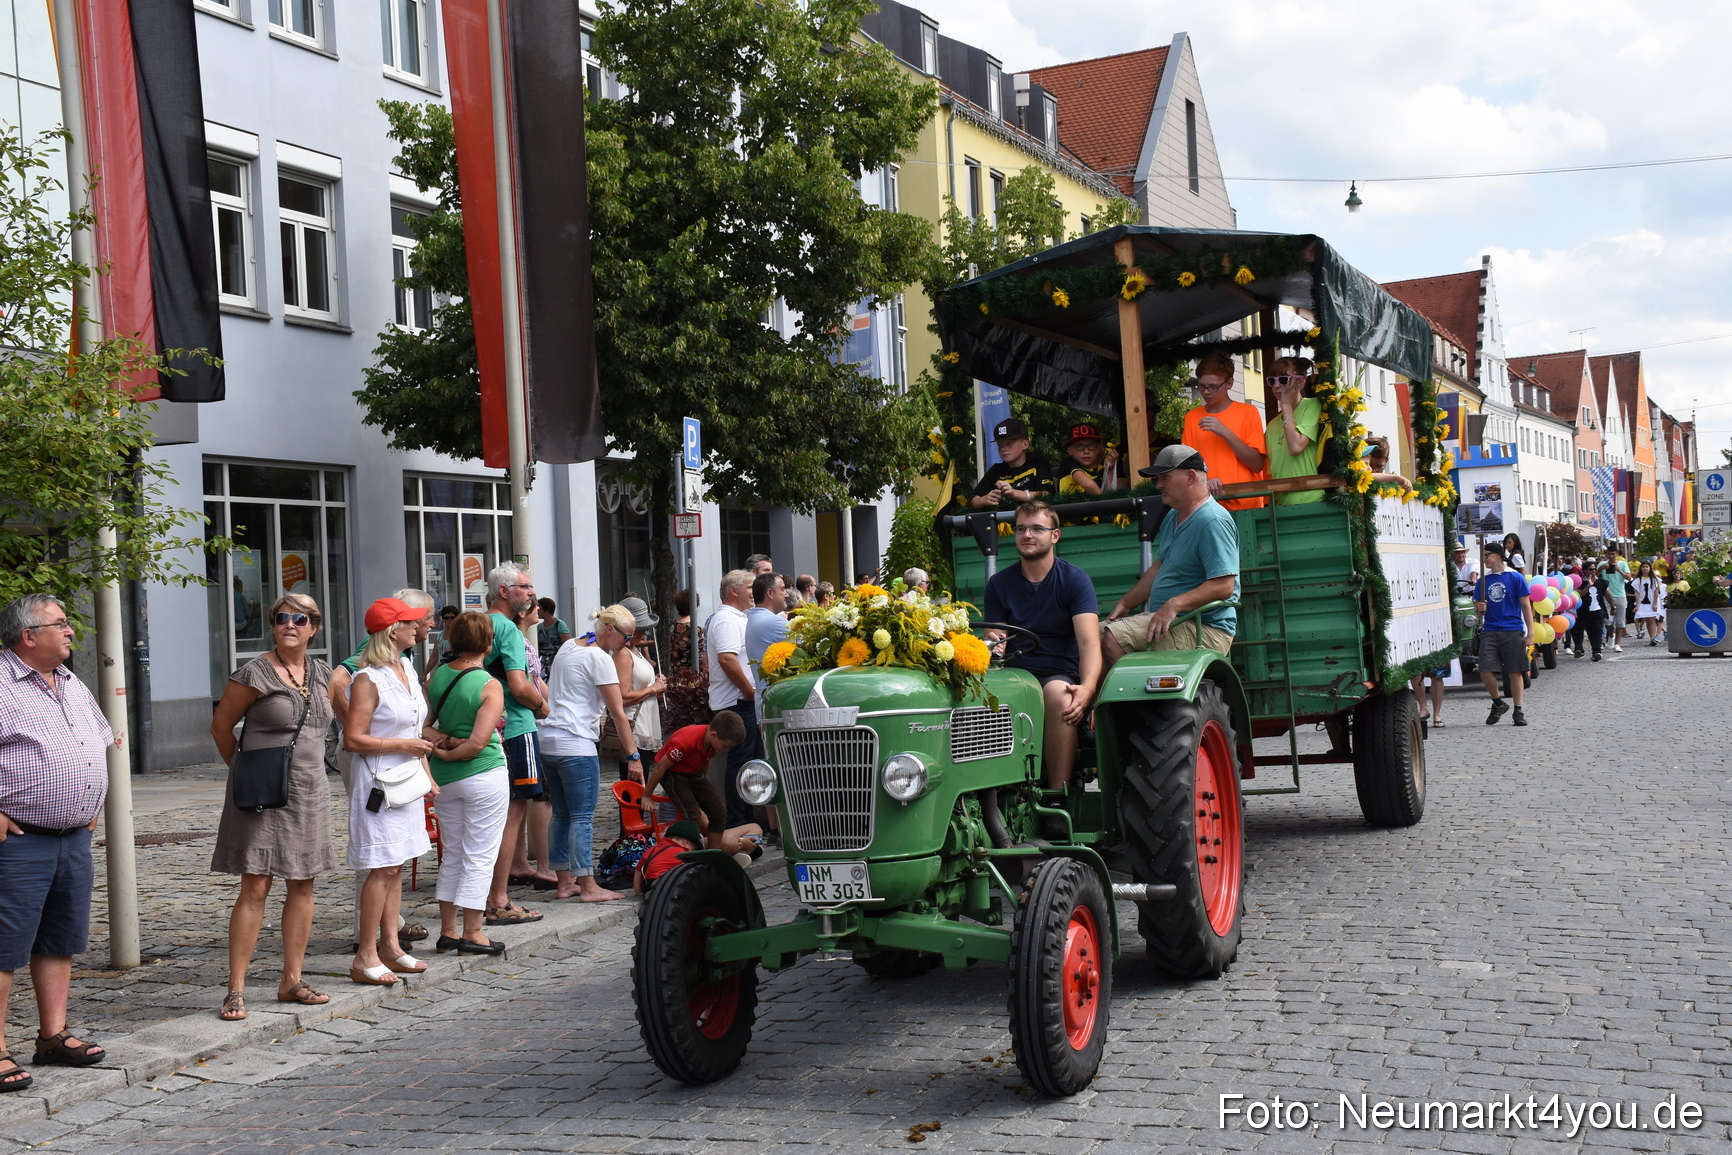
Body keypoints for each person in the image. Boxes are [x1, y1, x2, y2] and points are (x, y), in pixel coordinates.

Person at [0, 594, 115, 1087]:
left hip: (72, 836)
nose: (70, 632)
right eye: (61, 625)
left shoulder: (70, 680)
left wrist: (91, 801)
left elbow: (101, 740)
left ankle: (52, 1036)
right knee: (4, 946)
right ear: (28, 635)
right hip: (20, 840)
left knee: (58, 939)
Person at [209, 592, 337, 1021]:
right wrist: (245, 773)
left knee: (303, 883)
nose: (290, 625)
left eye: (300, 619)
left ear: (314, 627)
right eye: (282, 617)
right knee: (256, 886)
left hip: (309, 790)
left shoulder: (322, 674)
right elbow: (221, 727)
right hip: (263, 795)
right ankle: (236, 989)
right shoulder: (254, 673)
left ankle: (291, 979)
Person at [330, 587, 436, 950]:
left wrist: (426, 772)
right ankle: (368, 950)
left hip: (406, 780)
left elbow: (413, 728)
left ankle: (390, 945)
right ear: (394, 631)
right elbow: (353, 739)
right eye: (410, 621)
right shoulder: (368, 677)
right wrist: (403, 746)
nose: (418, 625)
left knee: (396, 866)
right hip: (379, 782)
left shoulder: (405, 665)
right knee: (381, 866)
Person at [982, 501, 1100, 790]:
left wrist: (1087, 689)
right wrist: (994, 645)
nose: (1027, 535)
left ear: (1054, 536)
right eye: (1021, 528)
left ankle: (1057, 795)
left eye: (1037, 528)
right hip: (1015, 673)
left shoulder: (1075, 580)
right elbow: (995, 638)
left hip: (1058, 671)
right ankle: (995, 793)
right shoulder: (998, 584)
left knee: (1060, 698)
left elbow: (1088, 642)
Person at [540, 605, 645, 903]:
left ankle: (564, 883)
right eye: (626, 636)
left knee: (560, 813)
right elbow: (618, 712)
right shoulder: (599, 657)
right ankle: (588, 885)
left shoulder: (569, 645)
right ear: (609, 630)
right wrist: (633, 755)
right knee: (582, 817)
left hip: (550, 740)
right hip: (576, 743)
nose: (628, 642)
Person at [1103, 445, 1240, 667]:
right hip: (1180, 623)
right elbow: (1160, 565)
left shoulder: (1212, 520)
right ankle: (1093, 701)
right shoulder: (1174, 515)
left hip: (1204, 630)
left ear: (1191, 476)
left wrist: (1174, 605)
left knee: (1113, 638)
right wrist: (1126, 602)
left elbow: (1224, 586)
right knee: (1091, 638)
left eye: (1165, 477)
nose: (1158, 485)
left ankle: (1138, 701)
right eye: (1157, 479)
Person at [422, 612, 510, 955]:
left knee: (453, 854)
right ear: (488, 644)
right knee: (480, 855)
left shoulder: (437, 677)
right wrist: (453, 750)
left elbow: (424, 728)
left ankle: (448, 930)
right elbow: (477, 743)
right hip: (483, 774)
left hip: (445, 781)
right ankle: (473, 931)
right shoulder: (489, 685)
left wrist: (441, 749)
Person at [481, 563, 548, 928]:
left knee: (490, 818)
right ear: (504, 591)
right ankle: (499, 900)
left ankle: (484, 896)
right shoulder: (506, 628)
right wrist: (543, 705)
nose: (531, 593)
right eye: (524, 586)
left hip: (486, 727)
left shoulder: (471, 624)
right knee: (512, 815)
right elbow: (521, 686)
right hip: (516, 727)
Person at [639, 714, 760, 853]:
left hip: (693, 773)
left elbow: (704, 763)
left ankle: (713, 853)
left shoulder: (712, 742)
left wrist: (702, 787)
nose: (726, 750)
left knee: (719, 811)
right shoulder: (685, 742)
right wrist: (647, 795)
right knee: (692, 815)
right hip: (672, 774)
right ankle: (692, 856)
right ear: (714, 735)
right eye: (726, 746)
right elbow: (660, 767)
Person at [506, 597, 554, 888]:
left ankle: (520, 862)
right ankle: (524, 864)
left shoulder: (523, 639)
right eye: (535, 607)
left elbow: (536, 680)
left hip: (529, 719)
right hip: (523, 721)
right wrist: (542, 706)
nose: (540, 612)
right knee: (530, 798)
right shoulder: (519, 642)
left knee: (523, 800)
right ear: (524, 612)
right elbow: (526, 683)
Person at [1180, 351, 1267, 509]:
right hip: (1207, 505)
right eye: (1201, 385)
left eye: (1213, 386)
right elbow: (1187, 469)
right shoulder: (1192, 418)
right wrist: (1205, 480)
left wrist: (1225, 432)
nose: (1206, 392)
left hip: (1246, 504)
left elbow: (1257, 465)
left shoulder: (1248, 412)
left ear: (1230, 383)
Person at [706, 570, 758, 828]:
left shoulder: (734, 617)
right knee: (740, 763)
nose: (753, 591)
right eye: (750, 586)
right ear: (733, 591)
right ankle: (738, 821)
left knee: (745, 761)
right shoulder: (726, 620)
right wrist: (748, 691)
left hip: (737, 700)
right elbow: (727, 659)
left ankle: (743, 819)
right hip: (736, 702)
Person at [1473, 543, 1535, 725]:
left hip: (1512, 628)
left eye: (1487, 555)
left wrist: (1530, 633)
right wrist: (1480, 609)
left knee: (1514, 671)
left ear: (1498, 556)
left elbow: (1526, 606)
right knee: (1485, 669)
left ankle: (1518, 710)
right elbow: (1478, 609)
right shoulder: (1483, 581)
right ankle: (1498, 702)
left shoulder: (1515, 577)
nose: (1484, 559)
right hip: (1490, 629)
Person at [609, 595, 666, 778]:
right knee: (634, 788)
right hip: (634, 730)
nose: (643, 633)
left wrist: (653, 685)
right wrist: (653, 688)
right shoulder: (623, 653)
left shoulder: (635, 650)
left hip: (644, 727)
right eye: (639, 629)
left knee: (639, 787)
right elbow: (622, 697)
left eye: (645, 628)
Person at [1263, 357, 1328, 505]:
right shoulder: (1272, 425)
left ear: (1300, 382)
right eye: (1272, 381)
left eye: (1284, 380)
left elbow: (1296, 447)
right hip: (1281, 504)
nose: (1277, 386)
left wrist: (1285, 405)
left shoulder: (1313, 405)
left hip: (1310, 499)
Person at [971, 417, 1056, 509]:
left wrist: (1014, 493)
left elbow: (1046, 494)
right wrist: (983, 500)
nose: (1003, 448)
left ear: (1025, 444)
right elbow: (974, 500)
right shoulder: (996, 470)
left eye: (1009, 443)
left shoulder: (1038, 464)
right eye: (1000, 444)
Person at [633, 820, 703, 895]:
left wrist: (638, 891)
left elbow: (638, 870)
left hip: (648, 886)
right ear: (685, 842)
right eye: (693, 849)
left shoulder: (652, 849)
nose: (691, 851)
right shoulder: (682, 853)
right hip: (666, 885)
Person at [1057, 422, 1122, 497]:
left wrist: (1109, 470)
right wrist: (1106, 505)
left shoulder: (1106, 463)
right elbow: (1088, 485)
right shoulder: (1068, 463)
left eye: (1091, 445)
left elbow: (1113, 493)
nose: (1086, 451)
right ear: (1070, 450)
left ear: (1098, 449)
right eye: (1079, 446)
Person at [1570, 566, 1610, 660]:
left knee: (1597, 632)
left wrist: (1613, 606)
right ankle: (1579, 648)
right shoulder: (1580, 583)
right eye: (1590, 569)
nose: (1593, 571)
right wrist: (1588, 585)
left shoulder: (1601, 581)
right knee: (1581, 631)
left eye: (1594, 569)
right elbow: (1579, 595)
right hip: (1583, 612)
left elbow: (1607, 594)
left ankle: (1597, 652)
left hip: (1598, 612)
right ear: (1585, 571)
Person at [1602, 547, 1631, 651]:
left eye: (1613, 554)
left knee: (1620, 621)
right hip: (1606, 595)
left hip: (1620, 595)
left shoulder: (1622, 564)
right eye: (1609, 554)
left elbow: (1629, 577)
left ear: (1616, 554)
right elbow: (1594, 577)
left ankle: (1617, 644)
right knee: (1607, 620)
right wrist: (1601, 569)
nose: (1611, 556)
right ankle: (1611, 635)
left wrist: (1619, 571)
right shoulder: (1602, 564)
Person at [1631, 561, 1666, 644]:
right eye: (1643, 567)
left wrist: (1654, 604)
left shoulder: (1654, 580)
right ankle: (1651, 637)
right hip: (1642, 603)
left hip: (1652, 602)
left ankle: (1654, 637)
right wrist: (1637, 605)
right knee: (1647, 619)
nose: (1645, 568)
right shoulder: (1638, 580)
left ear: (1650, 568)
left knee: (1652, 619)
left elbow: (1656, 592)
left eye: (1647, 567)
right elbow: (1637, 594)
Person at [534, 598, 573, 671]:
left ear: (547, 610)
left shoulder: (559, 625)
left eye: (540, 608)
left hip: (557, 662)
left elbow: (566, 645)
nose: (537, 610)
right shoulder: (539, 627)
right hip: (542, 663)